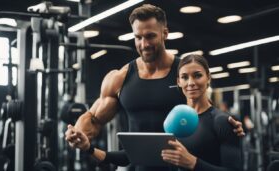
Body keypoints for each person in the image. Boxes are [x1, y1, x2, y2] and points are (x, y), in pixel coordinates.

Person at [65, 4, 244, 171]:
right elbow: (94, 119)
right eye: (138, 37)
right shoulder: (120, 77)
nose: (144, 44)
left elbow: (206, 114)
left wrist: (228, 126)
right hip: (133, 165)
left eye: (150, 36)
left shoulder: (183, 73)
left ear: (165, 33)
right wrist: (78, 134)